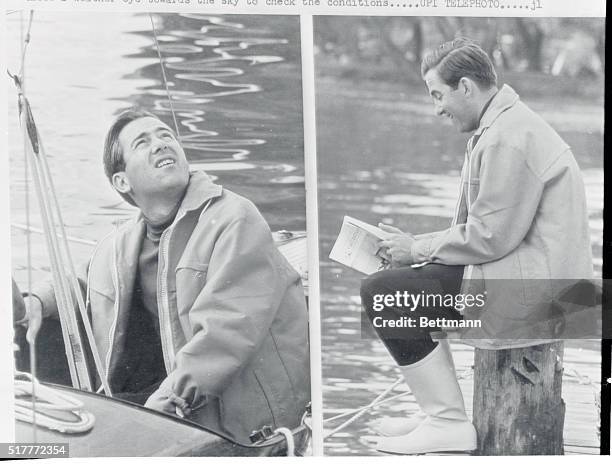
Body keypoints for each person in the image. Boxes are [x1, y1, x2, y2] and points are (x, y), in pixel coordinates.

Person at [14, 109, 310, 444]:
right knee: (32, 437)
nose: (160, 145)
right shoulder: (122, 241)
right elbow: (81, 282)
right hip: (163, 404)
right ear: (122, 182)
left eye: (165, 136)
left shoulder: (234, 219)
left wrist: (162, 408)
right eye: (143, 142)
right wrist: (35, 301)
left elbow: (226, 333)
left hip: (230, 421)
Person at [360, 38, 593, 454]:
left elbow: (490, 235)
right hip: (530, 276)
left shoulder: (508, 136)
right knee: (398, 281)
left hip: (538, 292)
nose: (437, 108)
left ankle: (447, 421)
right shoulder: (505, 124)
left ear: (465, 87)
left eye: (438, 94)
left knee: (383, 294)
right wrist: (418, 251)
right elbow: (492, 232)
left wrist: (417, 248)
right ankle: (439, 413)